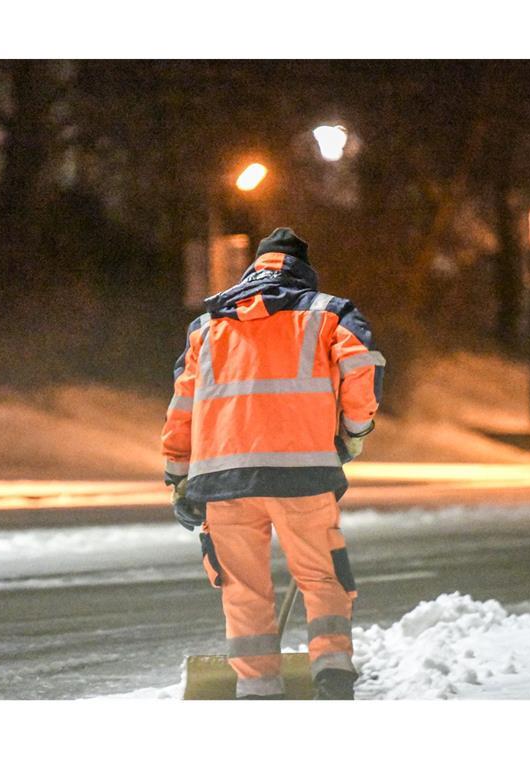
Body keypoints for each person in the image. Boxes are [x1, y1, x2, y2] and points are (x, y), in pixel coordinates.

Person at [161, 227, 385, 700]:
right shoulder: (329, 313)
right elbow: (360, 368)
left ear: (253, 270)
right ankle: (332, 668)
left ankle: (258, 686)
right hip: (303, 473)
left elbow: (183, 404)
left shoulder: (208, 325)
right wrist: (355, 430)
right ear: (304, 273)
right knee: (321, 576)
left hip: (223, 480)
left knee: (242, 587)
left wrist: (178, 476)